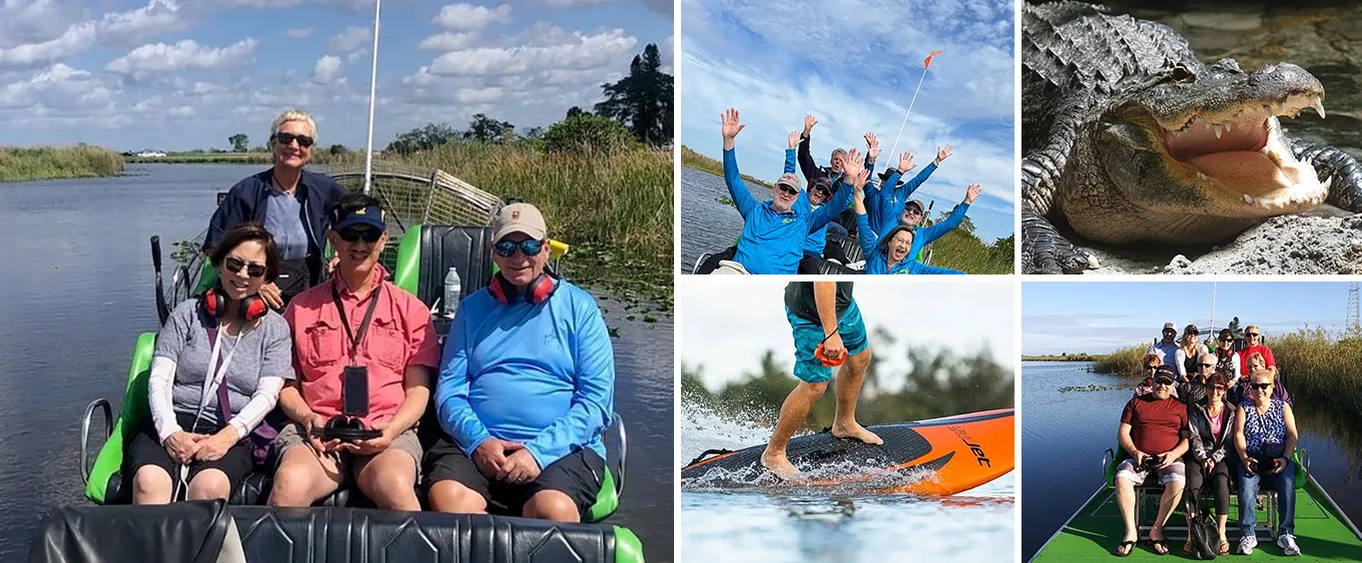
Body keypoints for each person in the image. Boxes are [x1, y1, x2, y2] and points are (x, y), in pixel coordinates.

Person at [426, 203, 614, 523]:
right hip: (479, 448)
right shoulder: (471, 310)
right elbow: (450, 392)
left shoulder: (580, 308)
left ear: (545, 249)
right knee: (448, 501)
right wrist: (478, 441)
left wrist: (537, 454)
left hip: (560, 451)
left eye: (528, 245)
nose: (518, 257)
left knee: (552, 511)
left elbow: (596, 402)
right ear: (494, 252)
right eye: (507, 247)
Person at [267, 193, 439, 510]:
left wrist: (391, 430)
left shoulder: (411, 310)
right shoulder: (301, 308)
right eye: (350, 235)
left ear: (384, 240)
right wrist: (308, 418)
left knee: (396, 486)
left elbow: (417, 390)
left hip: (385, 434)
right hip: (316, 434)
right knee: (289, 484)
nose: (360, 244)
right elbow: (286, 385)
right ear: (333, 238)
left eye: (370, 235)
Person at [129, 223, 294, 504]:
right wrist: (170, 433)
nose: (242, 275)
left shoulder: (276, 329)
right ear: (219, 264)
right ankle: (153, 548)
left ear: (266, 277)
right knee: (149, 481)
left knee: (209, 486)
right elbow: (160, 378)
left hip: (232, 429)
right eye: (235, 264)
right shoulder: (186, 315)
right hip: (174, 419)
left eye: (254, 270)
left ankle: (195, 549)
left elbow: (267, 396)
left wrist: (227, 438)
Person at [204, 109, 347, 309]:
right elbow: (214, 247)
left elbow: (361, 214)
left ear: (311, 150)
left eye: (303, 141)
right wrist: (255, 281)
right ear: (273, 144)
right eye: (286, 138)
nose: (294, 146)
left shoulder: (324, 189)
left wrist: (341, 253)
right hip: (253, 294)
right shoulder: (245, 191)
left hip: (309, 288)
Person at [762, 282, 879, 479]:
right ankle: (774, 453)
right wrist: (831, 332)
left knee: (860, 358)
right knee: (815, 385)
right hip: (810, 313)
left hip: (842, 305)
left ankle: (844, 424)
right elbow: (823, 278)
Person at [718, 108, 853, 275]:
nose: (786, 193)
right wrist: (728, 141)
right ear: (775, 188)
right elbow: (733, 180)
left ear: (797, 196)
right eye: (783, 188)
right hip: (739, 273)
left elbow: (836, 206)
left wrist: (849, 180)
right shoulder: (753, 210)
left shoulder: (804, 221)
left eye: (792, 191)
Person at [1113, 366, 1188, 557]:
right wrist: (1134, 451)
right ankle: (1131, 532)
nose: (1162, 386)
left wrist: (1172, 454)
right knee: (1122, 478)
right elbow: (1123, 433)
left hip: (1169, 458)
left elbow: (1187, 440)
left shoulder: (1180, 407)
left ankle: (1156, 530)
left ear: (1173, 386)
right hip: (1139, 456)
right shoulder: (1135, 403)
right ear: (1152, 381)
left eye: (1167, 383)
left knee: (1178, 483)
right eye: (1159, 381)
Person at [1233, 368, 1300, 556]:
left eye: (1264, 386)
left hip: (1279, 458)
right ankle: (1248, 533)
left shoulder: (1282, 407)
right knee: (1246, 487)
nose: (1259, 390)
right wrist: (1244, 457)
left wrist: (1286, 458)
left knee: (1287, 485)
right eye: (1255, 386)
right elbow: (1238, 434)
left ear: (1272, 387)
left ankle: (1286, 532)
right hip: (1252, 457)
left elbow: (1292, 435)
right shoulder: (1244, 407)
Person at [852, 169, 968, 275]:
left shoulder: (913, 263)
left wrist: (966, 202)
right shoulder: (889, 222)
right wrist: (900, 171)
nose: (911, 212)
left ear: (920, 219)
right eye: (908, 209)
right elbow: (884, 194)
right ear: (889, 241)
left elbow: (949, 224)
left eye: (916, 212)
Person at [1183, 370, 1236, 556]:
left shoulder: (1231, 411)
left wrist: (1214, 458)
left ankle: (1221, 532)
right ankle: (1192, 533)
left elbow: (1230, 443)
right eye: (1211, 387)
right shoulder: (1197, 409)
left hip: (1220, 457)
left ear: (1224, 390)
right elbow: (1194, 436)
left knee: (1222, 481)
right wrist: (1203, 457)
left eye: (1219, 388)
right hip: (1198, 456)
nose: (1215, 391)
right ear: (1206, 389)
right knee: (1192, 484)